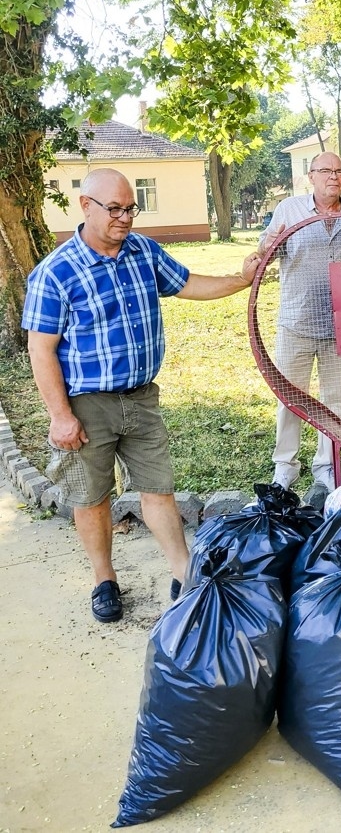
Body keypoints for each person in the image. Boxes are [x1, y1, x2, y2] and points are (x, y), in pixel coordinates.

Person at [21, 168, 261, 624]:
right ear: (85, 206)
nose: (126, 217)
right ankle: (104, 579)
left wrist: (241, 279)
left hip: (142, 398)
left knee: (158, 489)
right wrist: (59, 416)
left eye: (130, 208)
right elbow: (41, 348)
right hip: (86, 405)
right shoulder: (55, 273)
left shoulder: (143, 252)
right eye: (115, 208)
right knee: (92, 499)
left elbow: (188, 284)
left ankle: (183, 573)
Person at [257, 152, 341, 510]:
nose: (334, 177)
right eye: (326, 170)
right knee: (290, 399)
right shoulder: (289, 210)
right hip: (296, 321)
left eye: (340, 171)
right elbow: (264, 251)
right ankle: (285, 468)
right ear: (310, 176)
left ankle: (327, 467)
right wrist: (268, 242)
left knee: (334, 400)